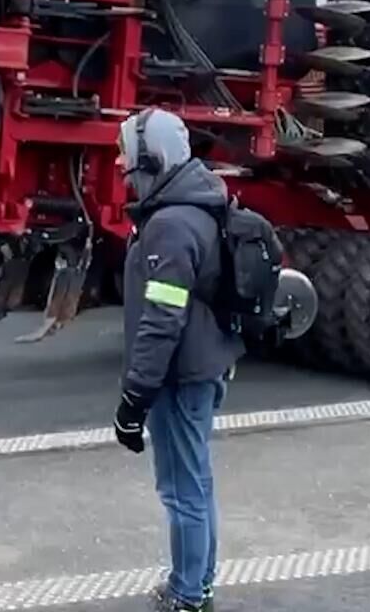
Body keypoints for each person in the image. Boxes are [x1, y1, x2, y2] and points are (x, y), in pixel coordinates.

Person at [111, 108, 245, 612]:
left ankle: (188, 594)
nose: (121, 161)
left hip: (181, 374)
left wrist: (134, 397)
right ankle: (196, 582)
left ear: (150, 156)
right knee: (195, 482)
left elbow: (162, 319)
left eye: (125, 149)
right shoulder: (195, 205)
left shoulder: (169, 224)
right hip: (203, 362)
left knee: (181, 489)